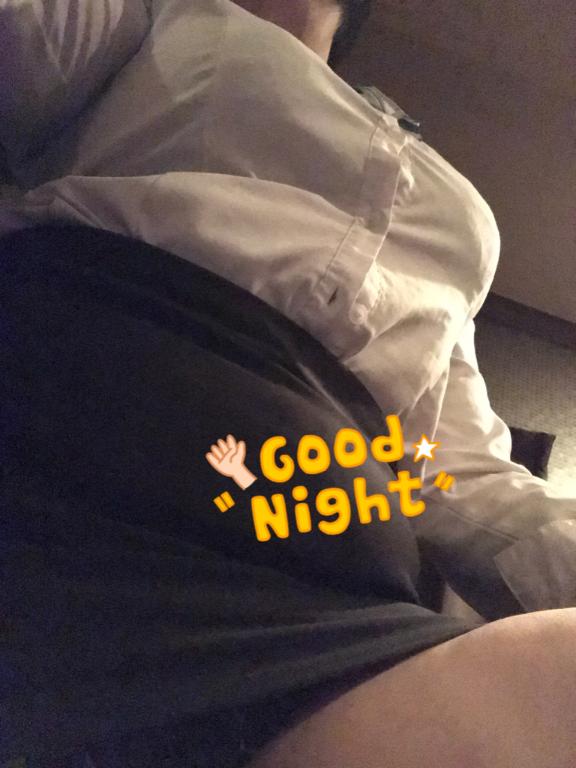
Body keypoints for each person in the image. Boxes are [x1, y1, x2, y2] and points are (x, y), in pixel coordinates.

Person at [1, 1, 575, 766]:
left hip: (334, 566)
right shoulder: (164, 18)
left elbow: (459, 475)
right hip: (99, 416)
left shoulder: (450, 202)